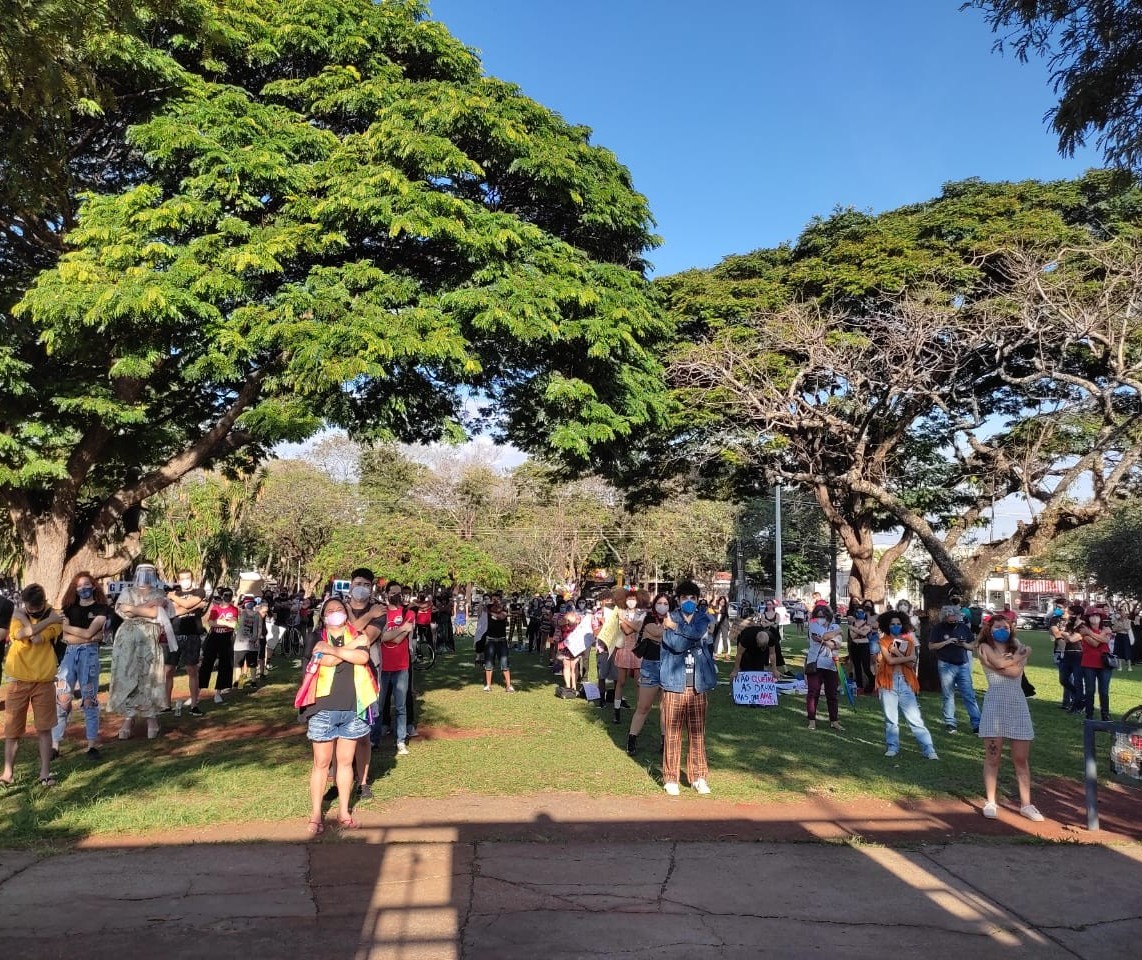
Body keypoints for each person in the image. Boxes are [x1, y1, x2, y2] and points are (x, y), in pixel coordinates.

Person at [300, 596, 376, 834]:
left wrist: (335, 650)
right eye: (330, 610)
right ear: (323, 617)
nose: (335, 613)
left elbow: (363, 658)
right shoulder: (315, 637)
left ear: (346, 613)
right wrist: (352, 647)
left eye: (339, 609)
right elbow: (326, 661)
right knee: (321, 763)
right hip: (322, 708)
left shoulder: (354, 637)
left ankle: (344, 812)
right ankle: (315, 815)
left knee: (345, 762)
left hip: (352, 707)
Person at [976, 615, 1043, 821]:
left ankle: (1026, 804)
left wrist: (1006, 662)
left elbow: (1014, 673)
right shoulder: (984, 647)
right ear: (990, 628)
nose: (1002, 630)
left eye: (1005, 626)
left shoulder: (1017, 645)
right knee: (993, 757)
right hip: (994, 705)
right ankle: (991, 801)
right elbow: (997, 662)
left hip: (1017, 705)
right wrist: (1018, 657)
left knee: (1021, 759)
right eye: (997, 627)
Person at [2, 584, 65, 787]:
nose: (33, 611)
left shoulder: (47, 614)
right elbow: (20, 635)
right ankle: (7, 774)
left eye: (36, 608)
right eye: (29, 608)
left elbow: (38, 638)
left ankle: (44, 774)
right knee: (12, 730)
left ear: (43, 602)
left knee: (44, 729)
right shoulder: (29, 615)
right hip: (18, 679)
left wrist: (32, 623)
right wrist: (47, 620)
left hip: (43, 680)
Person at [659, 581, 717, 795]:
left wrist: (679, 630)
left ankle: (699, 776)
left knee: (697, 733)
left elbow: (698, 632)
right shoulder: (670, 617)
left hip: (698, 683)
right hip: (674, 682)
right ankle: (670, 777)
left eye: (692, 598)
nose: (689, 601)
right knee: (673, 733)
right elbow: (676, 645)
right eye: (685, 598)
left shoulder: (703, 617)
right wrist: (688, 634)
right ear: (679, 599)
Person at [52, 573, 111, 760]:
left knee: (89, 698)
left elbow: (89, 633)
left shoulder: (102, 608)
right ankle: (55, 745)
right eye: (78, 585)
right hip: (70, 655)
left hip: (89, 655)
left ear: (94, 586)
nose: (82, 588)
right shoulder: (69, 608)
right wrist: (86, 635)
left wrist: (68, 628)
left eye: (86, 584)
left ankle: (92, 744)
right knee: (62, 698)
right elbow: (67, 638)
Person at [108, 564, 168, 740]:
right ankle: (128, 718)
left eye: (149, 572)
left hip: (149, 639)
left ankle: (151, 718)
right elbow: (125, 613)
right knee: (128, 674)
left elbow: (155, 612)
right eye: (142, 572)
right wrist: (145, 608)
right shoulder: (127, 591)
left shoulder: (159, 593)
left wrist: (134, 609)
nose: (145, 576)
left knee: (149, 676)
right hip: (127, 639)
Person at [874, 609, 938, 760]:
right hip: (887, 683)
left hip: (905, 682)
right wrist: (906, 657)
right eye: (892, 624)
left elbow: (911, 663)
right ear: (886, 625)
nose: (895, 626)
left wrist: (900, 654)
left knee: (915, 718)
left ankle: (929, 749)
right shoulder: (883, 641)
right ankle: (892, 746)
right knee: (891, 719)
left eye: (898, 623)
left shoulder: (908, 641)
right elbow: (889, 661)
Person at [627, 593, 669, 756]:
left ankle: (665, 743)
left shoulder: (674, 619)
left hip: (669, 667)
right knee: (643, 707)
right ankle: (631, 740)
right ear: (654, 604)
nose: (663, 606)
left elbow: (662, 635)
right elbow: (656, 632)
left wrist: (659, 634)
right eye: (660, 603)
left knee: (666, 708)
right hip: (650, 666)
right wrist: (666, 630)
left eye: (666, 603)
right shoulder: (648, 618)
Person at [929, 604, 981, 734]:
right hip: (945, 664)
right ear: (944, 617)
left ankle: (977, 724)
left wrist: (962, 644)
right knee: (948, 695)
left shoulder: (963, 628)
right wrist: (946, 642)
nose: (951, 619)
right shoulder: (938, 628)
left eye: (954, 616)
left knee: (969, 694)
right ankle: (950, 723)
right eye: (948, 617)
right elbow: (931, 646)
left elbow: (972, 646)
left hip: (962, 664)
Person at [377, 582, 414, 756]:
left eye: (399, 593)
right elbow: (381, 637)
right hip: (383, 666)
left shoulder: (408, 612)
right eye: (393, 592)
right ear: (386, 594)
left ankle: (400, 740)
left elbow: (398, 640)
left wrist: (390, 635)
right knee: (378, 704)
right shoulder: (381, 613)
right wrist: (400, 630)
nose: (397, 595)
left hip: (401, 667)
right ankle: (374, 738)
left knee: (400, 706)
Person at [165, 570, 207, 716]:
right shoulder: (174, 593)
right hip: (174, 634)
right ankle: (166, 704)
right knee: (168, 670)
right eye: (182, 579)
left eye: (187, 578)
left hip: (192, 634)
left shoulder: (199, 591)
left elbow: (188, 604)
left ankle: (194, 705)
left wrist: (183, 603)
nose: (185, 581)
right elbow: (173, 612)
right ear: (178, 579)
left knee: (192, 670)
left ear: (192, 578)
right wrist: (194, 606)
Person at [804, 604, 845, 731]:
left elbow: (836, 645)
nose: (821, 619)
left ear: (828, 616)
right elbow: (825, 637)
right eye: (818, 616)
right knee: (813, 692)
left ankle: (834, 720)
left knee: (832, 694)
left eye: (823, 616)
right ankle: (812, 720)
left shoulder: (834, 626)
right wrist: (836, 633)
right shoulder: (813, 625)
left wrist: (825, 640)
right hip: (815, 663)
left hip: (831, 664)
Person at [612, 589, 647, 724]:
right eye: (629, 599)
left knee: (638, 683)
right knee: (621, 682)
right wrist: (626, 621)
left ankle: (638, 712)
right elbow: (626, 631)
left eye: (633, 599)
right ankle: (616, 710)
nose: (631, 601)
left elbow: (637, 628)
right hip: (624, 648)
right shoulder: (620, 612)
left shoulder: (642, 614)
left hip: (637, 649)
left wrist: (623, 620)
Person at [200, 588, 238, 703]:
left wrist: (219, 622)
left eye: (230, 595)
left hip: (226, 638)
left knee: (225, 665)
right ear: (221, 596)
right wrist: (225, 622)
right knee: (206, 663)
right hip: (214, 638)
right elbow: (211, 623)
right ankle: (198, 691)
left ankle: (218, 692)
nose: (228, 597)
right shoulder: (215, 609)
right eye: (226, 595)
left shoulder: (234, 609)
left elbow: (234, 624)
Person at [1079, 608, 1114, 721]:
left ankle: (1105, 715)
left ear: (1101, 618)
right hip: (1089, 663)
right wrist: (1101, 633)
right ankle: (1089, 715)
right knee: (1090, 690)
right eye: (1092, 616)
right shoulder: (1083, 630)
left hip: (1104, 663)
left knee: (1104, 691)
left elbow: (1106, 641)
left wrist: (1095, 633)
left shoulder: (1104, 629)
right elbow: (1094, 643)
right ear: (1088, 618)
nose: (1095, 618)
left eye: (1097, 616)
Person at [482, 595, 515, 692]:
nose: (495, 601)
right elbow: (481, 611)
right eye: (493, 599)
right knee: (488, 664)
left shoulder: (504, 608)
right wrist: (486, 605)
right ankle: (488, 685)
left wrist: (490, 612)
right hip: (490, 640)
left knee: (504, 663)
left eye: (497, 599)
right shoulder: (487, 607)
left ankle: (508, 686)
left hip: (501, 640)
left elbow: (501, 616)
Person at [232, 597, 264, 688]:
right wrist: (238, 595)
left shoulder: (257, 615)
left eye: (251, 602)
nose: (249, 604)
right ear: (244, 604)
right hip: (240, 643)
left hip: (252, 644)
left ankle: (253, 682)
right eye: (247, 602)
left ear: (254, 604)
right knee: (239, 664)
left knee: (252, 664)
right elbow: (233, 607)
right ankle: (238, 682)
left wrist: (258, 639)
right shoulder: (241, 612)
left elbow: (260, 627)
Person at [846, 602, 876, 693]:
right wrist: (858, 631)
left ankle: (873, 683)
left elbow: (864, 633)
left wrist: (853, 629)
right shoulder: (854, 623)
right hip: (855, 646)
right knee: (857, 666)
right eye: (858, 612)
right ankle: (859, 686)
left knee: (866, 667)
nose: (860, 614)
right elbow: (853, 636)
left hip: (864, 646)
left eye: (862, 612)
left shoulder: (867, 624)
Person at [1111, 603, 1133, 673]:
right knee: (1119, 651)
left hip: (1125, 636)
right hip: (1118, 636)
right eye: (1121, 612)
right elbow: (1114, 629)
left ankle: (1129, 666)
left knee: (1127, 650)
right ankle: (1120, 666)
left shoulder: (1128, 620)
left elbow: (1127, 628)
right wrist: (1120, 628)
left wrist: (1120, 628)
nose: (1122, 613)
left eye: (1123, 611)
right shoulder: (1116, 621)